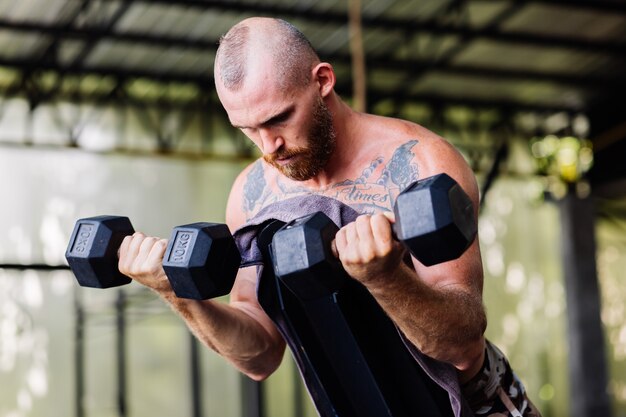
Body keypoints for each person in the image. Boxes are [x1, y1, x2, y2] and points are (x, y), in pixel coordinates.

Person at [118, 17, 540, 417]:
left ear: (322, 81)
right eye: (247, 129)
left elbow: (462, 346)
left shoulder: (421, 163)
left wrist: (385, 277)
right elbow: (261, 355)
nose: (270, 146)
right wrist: (176, 293)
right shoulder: (251, 196)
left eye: (279, 117)